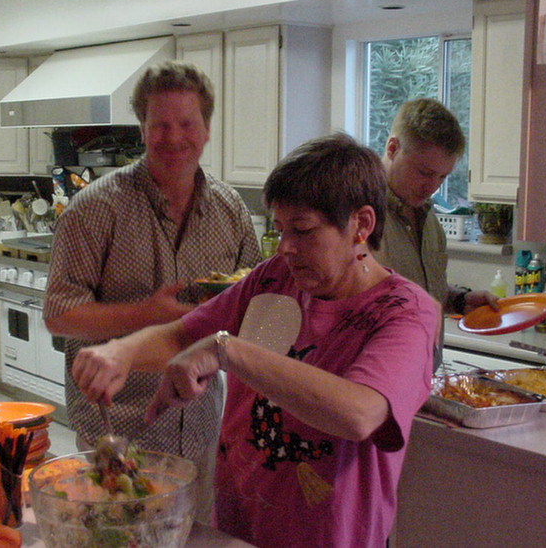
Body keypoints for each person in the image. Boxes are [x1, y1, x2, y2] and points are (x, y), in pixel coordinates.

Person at [72, 132, 439, 548]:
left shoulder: (405, 312)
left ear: (361, 225)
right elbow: (183, 336)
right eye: (279, 228)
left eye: (302, 230)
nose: (285, 247)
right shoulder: (274, 279)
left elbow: (360, 413)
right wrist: (120, 352)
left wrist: (227, 349)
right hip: (237, 527)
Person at [43, 60, 261, 515]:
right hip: (116, 429)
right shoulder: (93, 209)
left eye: (187, 123)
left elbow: (254, 306)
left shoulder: (232, 211)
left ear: (207, 130)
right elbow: (60, 314)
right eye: (159, 124)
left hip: (201, 426)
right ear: (142, 130)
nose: (174, 138)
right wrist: (148, 312)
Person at [376, 98, 498, 368]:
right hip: (375, 382)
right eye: (424, 172)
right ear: (393, 148)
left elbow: (423, 288)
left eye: (442, 177)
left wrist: (458, 300)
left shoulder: (429, 218)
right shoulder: (360, 215)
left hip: (422, 378)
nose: (432, 186)